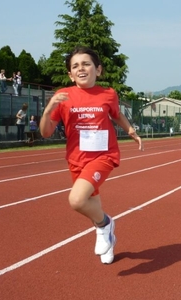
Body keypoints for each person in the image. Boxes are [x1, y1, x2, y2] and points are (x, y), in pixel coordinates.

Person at [39, 46, 143, 264]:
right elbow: (46, 132)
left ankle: (105, 225)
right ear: (70, 74)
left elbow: (117, 115)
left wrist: (131, 131)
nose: (81, 68)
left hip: (103, 156)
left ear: (98, 69)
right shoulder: (62, 96)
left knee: (77, 200)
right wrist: (48, 110)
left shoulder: (108, 94)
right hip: (76, 158)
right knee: (91, 200)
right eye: (75, 66)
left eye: (86, 64)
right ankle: (107, 236)